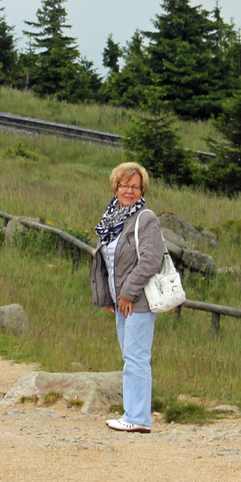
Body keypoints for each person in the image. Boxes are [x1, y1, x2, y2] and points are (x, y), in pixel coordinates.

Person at [89, 161, 166, 433]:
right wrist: (111, 297)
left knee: (136, 356)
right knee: (130, 355)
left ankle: (138, 417)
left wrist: (127, 293)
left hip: (139, 301)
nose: (129, 191)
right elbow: (108, 261)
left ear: (142, 189)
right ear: (116, 187)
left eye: (135, 186)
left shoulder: (145, 218)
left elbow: (151, 260)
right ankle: (133, 413)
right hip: (122, 301)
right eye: (125, 185)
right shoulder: (112, 217)